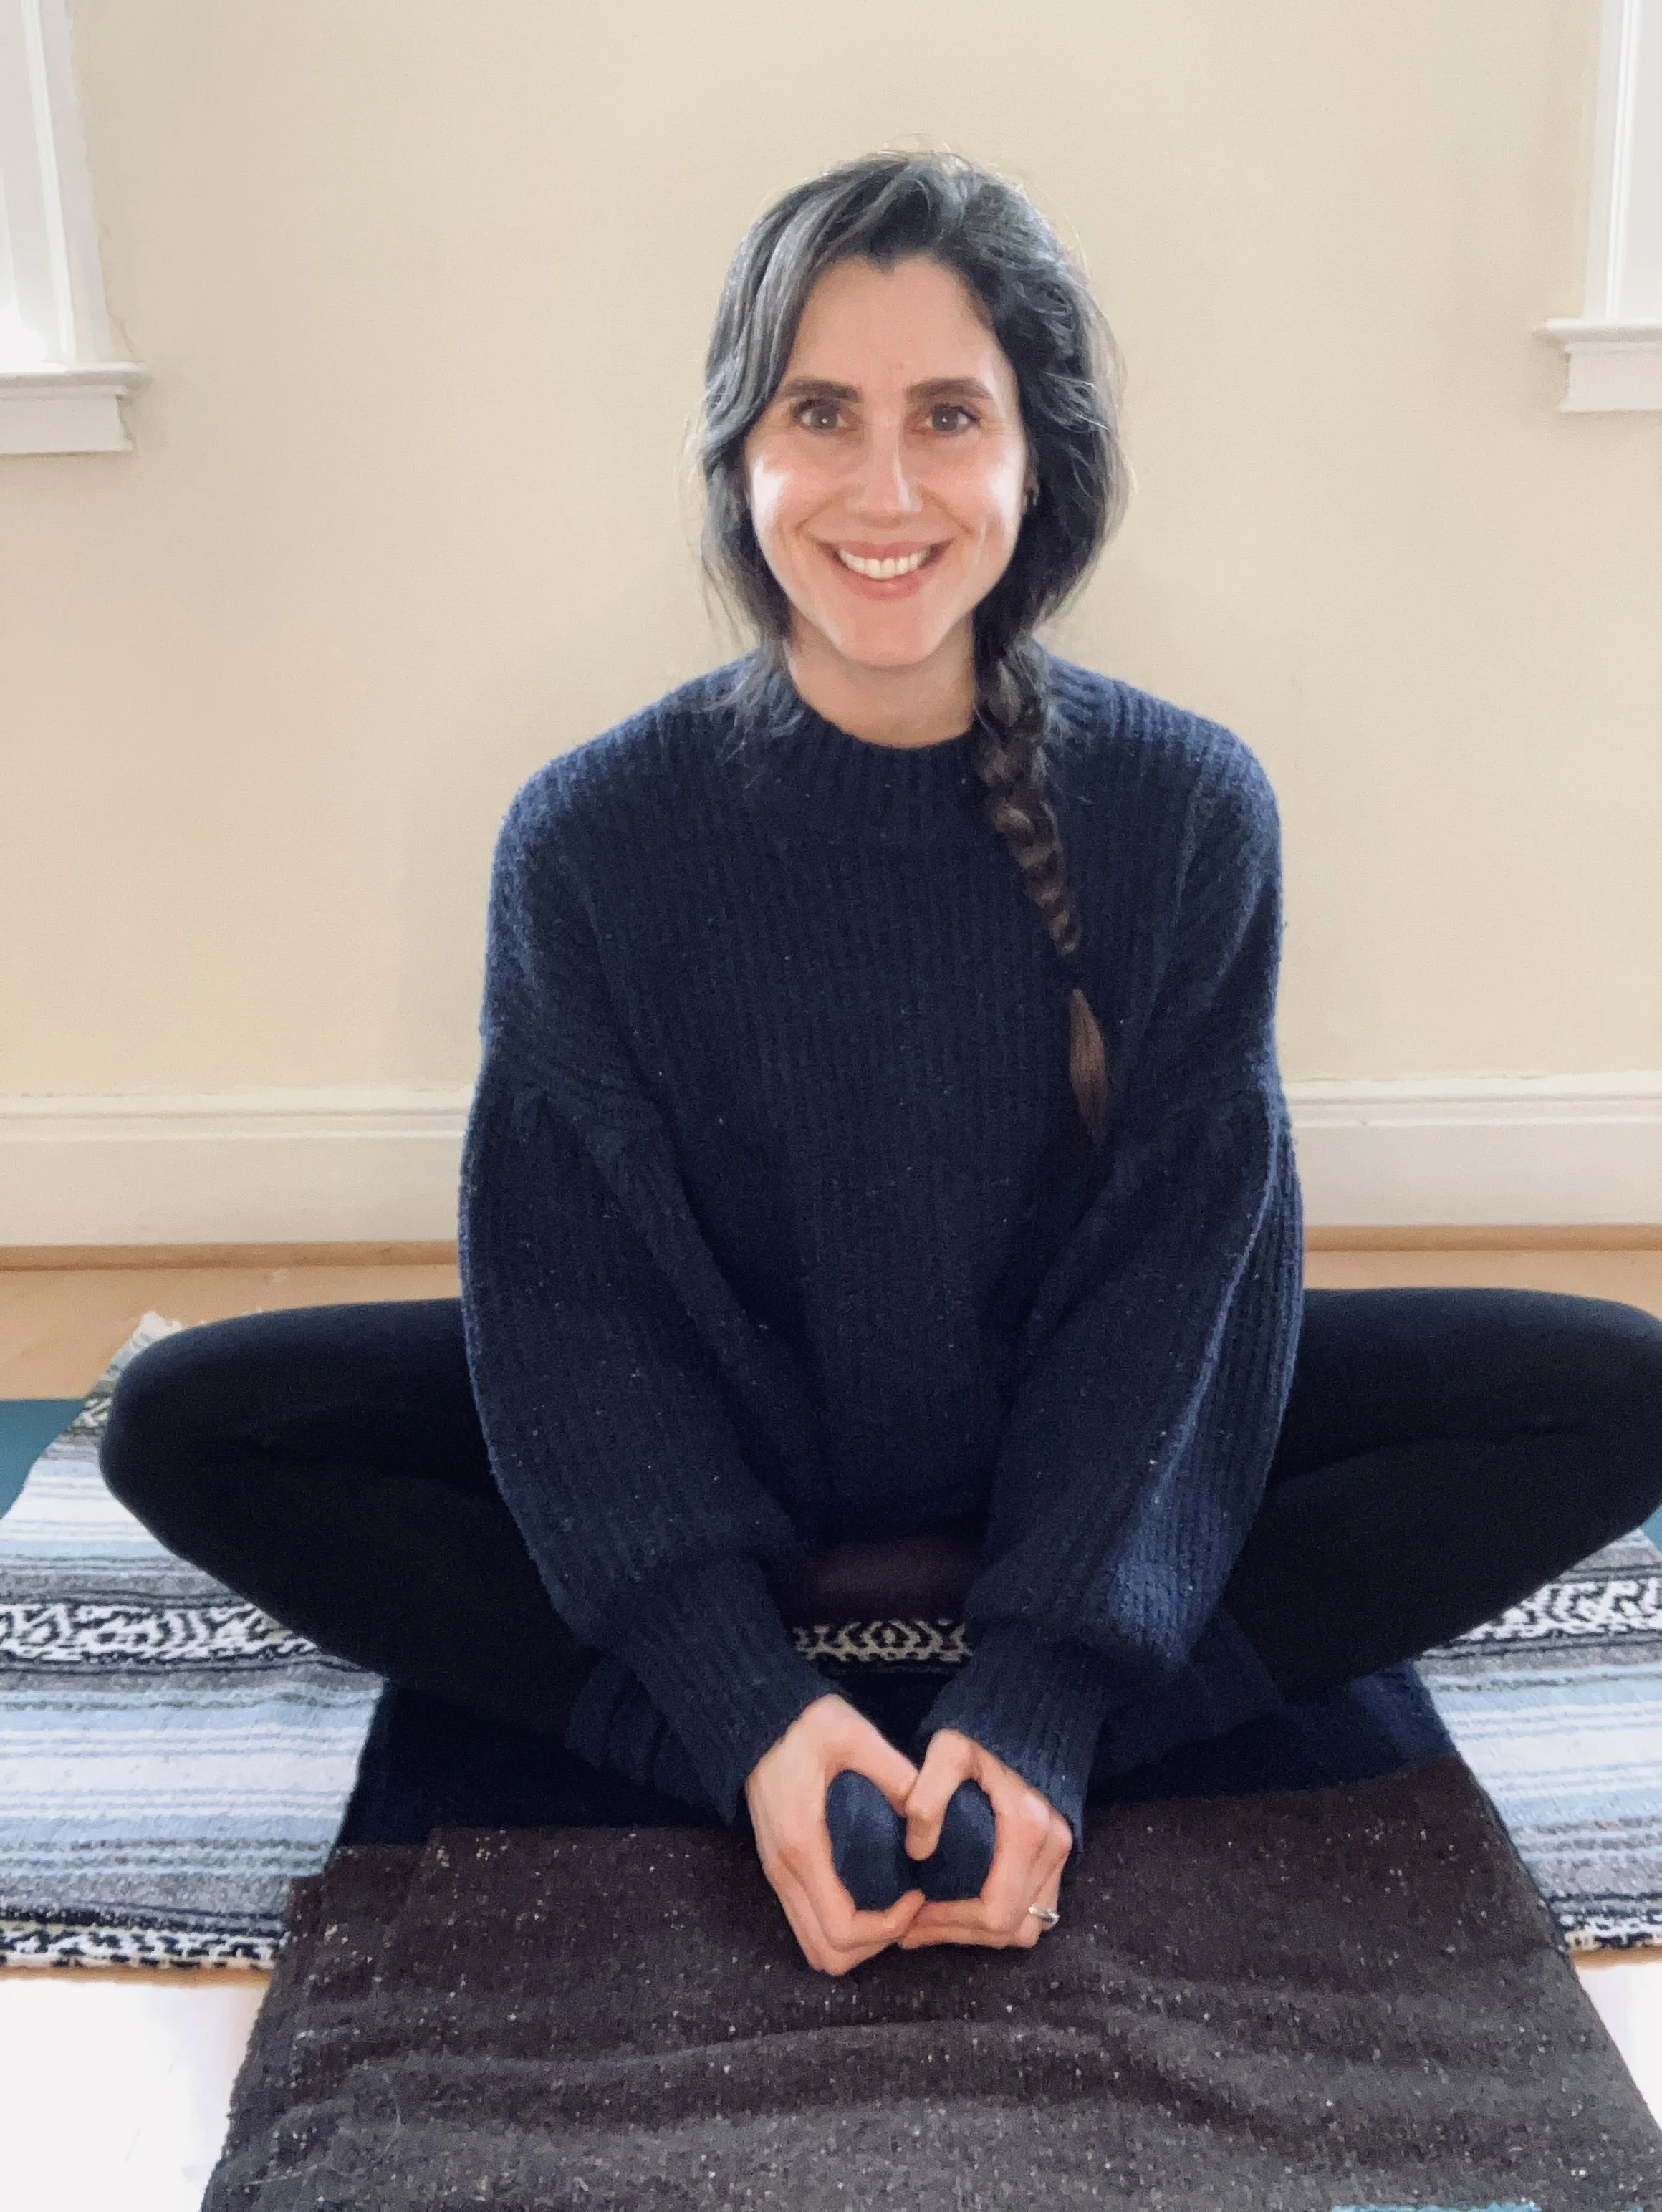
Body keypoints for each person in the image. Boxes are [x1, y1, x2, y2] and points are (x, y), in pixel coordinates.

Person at [100, 150, 1662, 1981]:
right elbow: (568, 1315)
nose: (887, 487)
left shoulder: (1183, 810)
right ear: (738, 453)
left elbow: (1180, 1289)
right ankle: (763, 1741)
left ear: (1034, 459)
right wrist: (734, 1705)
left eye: (948, 415)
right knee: (186, 1422)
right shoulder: (590, 841)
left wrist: (1050, 1699)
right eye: (819, 413)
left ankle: (1002, 1738)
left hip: (1054, 1462)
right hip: (739, 1456)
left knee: (1614, 1389)